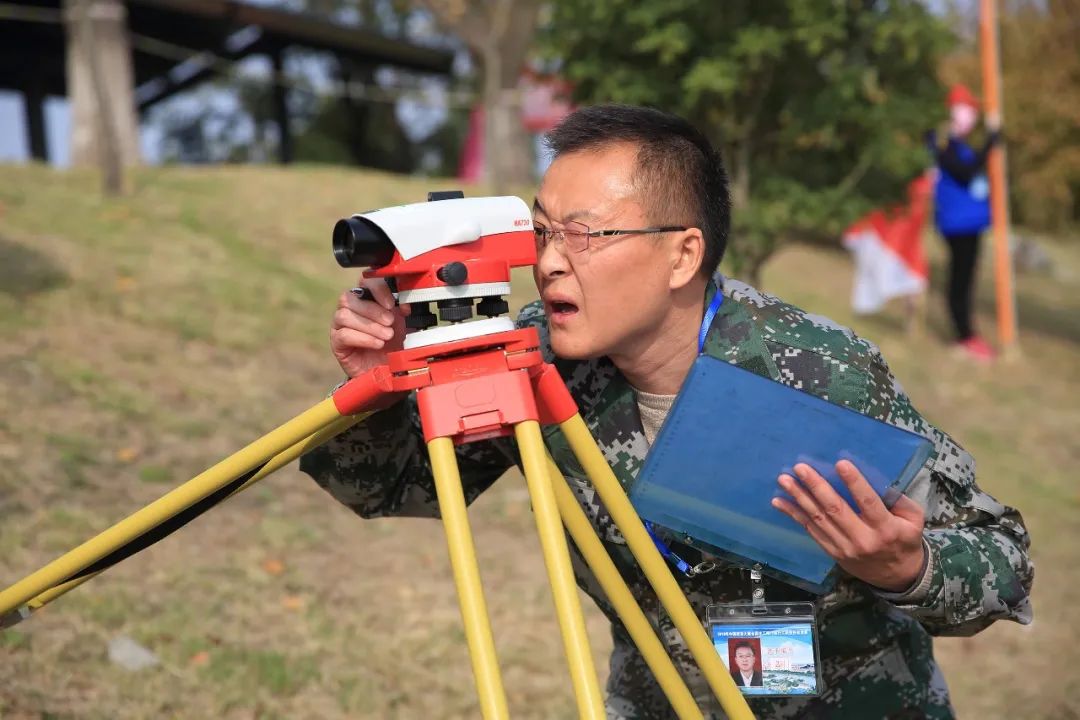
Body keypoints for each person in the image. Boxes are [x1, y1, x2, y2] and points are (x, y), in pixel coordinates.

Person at [301, 104, 1033, 719]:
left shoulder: (817, 371)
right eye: (543, 232)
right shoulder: (533, 361)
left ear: (684, 256)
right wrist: (381, 389)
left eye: (585, 234)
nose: (549, 262)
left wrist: (906, 566)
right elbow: (394, 488)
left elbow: (1004, 556)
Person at [927, 83, 1002, 362]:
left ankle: (968, 334)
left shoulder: (960, 145)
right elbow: (963, 172)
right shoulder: (943, 142)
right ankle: (964, 336)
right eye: (966, 109)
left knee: (967, 280)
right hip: (957, 224)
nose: (971, 116)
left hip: (971, 224)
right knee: (960, 281)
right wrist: (990, 145)